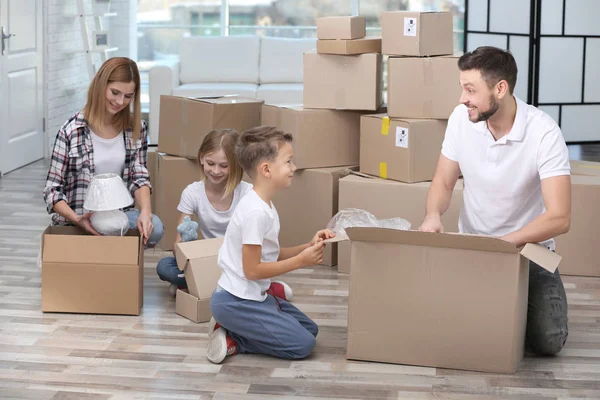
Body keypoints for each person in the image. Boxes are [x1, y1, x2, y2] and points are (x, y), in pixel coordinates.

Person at [418, 46, 571, 356]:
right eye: (462, 88)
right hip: (473, 246)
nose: (463, 98)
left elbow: (560, 217)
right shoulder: (462, 119)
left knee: (548, 340)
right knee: (442, 323)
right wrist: (433, 214)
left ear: (500, 89)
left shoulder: (544, 132)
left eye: (470, 89)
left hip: (529, 251)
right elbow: (443, 181)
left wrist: (504, 243)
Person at [205, 126, 335, 364]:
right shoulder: (255, 212)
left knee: (310, 330)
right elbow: (252, 270)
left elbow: (271, 256)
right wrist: (300, 262)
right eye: (288, 162)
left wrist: (307, 245)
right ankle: (235, 338)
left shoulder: (263, 205)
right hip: (236, 301)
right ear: (266, 169)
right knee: (303, 345)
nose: (293, 168)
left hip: (253, 295)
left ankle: (239, 326)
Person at [156, 129, 294, 300]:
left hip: (238, 262)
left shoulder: (248, 193)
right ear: (201, 159)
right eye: (210, 163)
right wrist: (186, 244)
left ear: (235, 165)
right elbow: (177, 247)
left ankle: (196, 286)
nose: (215, 171)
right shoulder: (192, 193)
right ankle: (207, 285)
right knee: (164, 266)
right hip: (209, 260)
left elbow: (260, 252)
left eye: (224, 166)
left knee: (243, 272)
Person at [42, 57, 163, 246]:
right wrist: (77, 219)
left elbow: (139, 177)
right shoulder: (71, 131)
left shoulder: (136, 128)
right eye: (115, 92)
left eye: (128, 96)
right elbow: (52, 190)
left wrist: (146, 212)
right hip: (80, 218)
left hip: (117, 217)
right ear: (100, 86)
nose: (120, 101)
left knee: (155, 227)